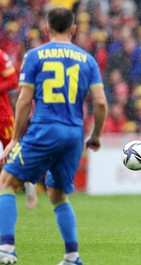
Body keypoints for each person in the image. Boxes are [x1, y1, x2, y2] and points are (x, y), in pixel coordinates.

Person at [0, 7, 107, 265]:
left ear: (46, 29)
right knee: (57, 194)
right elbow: (101, 103)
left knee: (6, 182)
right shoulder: (87, 59)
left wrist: (15, 138)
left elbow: (24, 99)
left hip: (45, 128)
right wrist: (95, 136)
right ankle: (72, 256)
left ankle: (5, 249)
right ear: (73, 29)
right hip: (73, 132)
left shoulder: (35, 56)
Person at [0, 48, 39, 211]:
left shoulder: (1, 56)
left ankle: (29, 184)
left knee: (14, 154)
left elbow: (13, 81)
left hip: (3, 117)